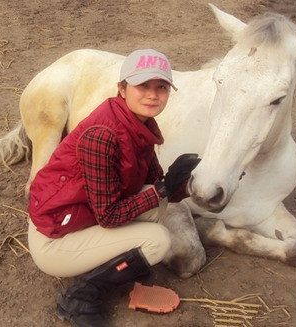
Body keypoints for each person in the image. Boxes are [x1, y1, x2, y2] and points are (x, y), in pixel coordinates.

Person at [27, 49, 200, 327]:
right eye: (142, 85)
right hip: (55, 238)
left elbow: (154, 186)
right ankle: (79, 297)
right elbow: (109, 216)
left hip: (81, 217)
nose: (152, 95)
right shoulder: (103, 135)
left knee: (159, 207)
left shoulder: (138, 124)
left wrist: (182, 185)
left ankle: (118, 263)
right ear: (121, 88)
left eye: (162, 87)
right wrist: (164, 188)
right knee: (157, 240)